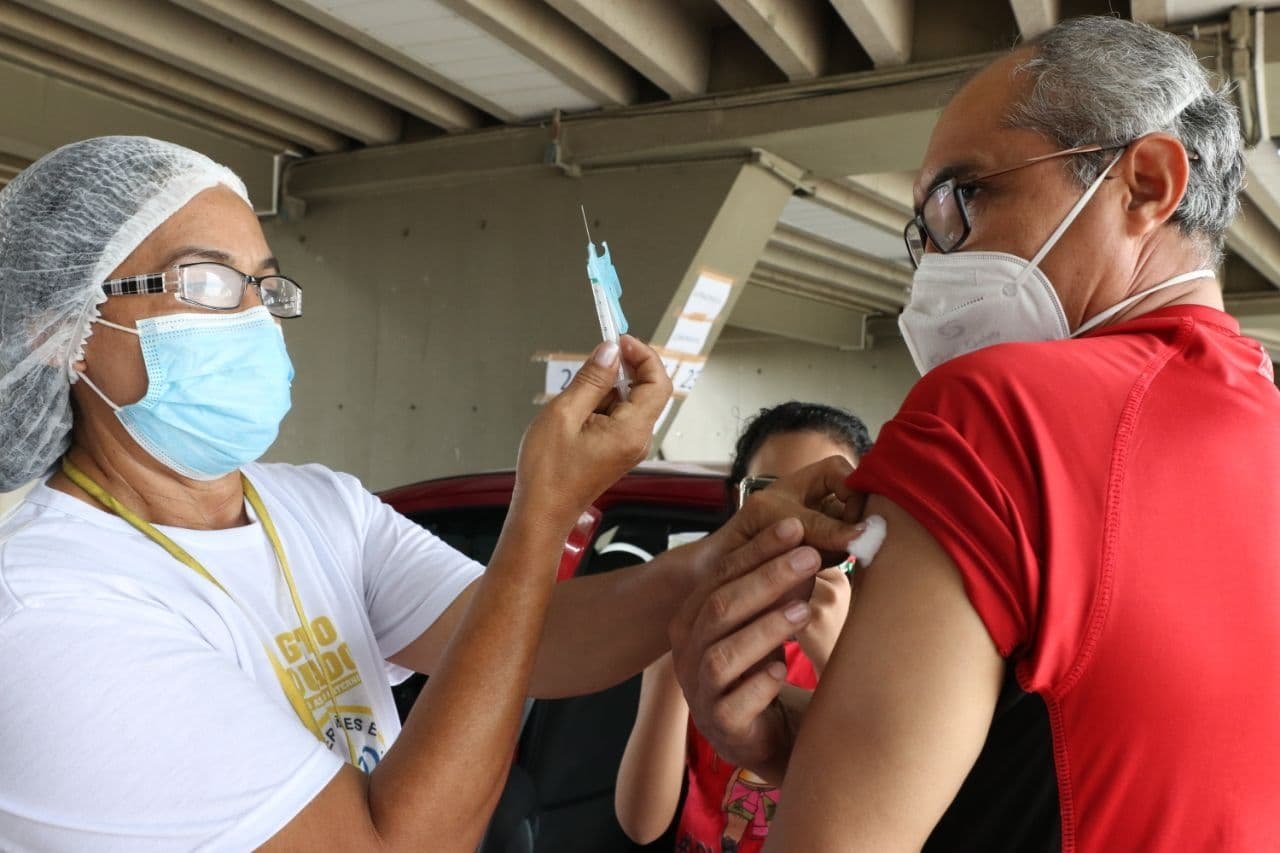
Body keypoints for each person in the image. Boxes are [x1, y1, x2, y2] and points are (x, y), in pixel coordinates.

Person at [0, 137, 866, 851]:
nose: (254, 319)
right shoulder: (46, 613)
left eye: (263, 286)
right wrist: (542, 510)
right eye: (205, 283)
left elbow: (535, 639)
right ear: (59, 331)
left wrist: (742, 543)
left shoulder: (314, 506)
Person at [668, 16, 1280, 851]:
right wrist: (810, 747)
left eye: (964, 197)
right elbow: (1112, 760)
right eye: (923, 230)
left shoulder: (995, 413)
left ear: (1145, 182)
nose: (938, 260)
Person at [615, 402, 872, 853]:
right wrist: (670, 658)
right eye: (767, 495)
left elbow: (881, 815)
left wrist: (836, 657)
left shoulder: (877, 640)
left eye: (826, 503)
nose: (795, 525)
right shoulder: (700, 631)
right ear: (737, 507)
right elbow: (642, 824)